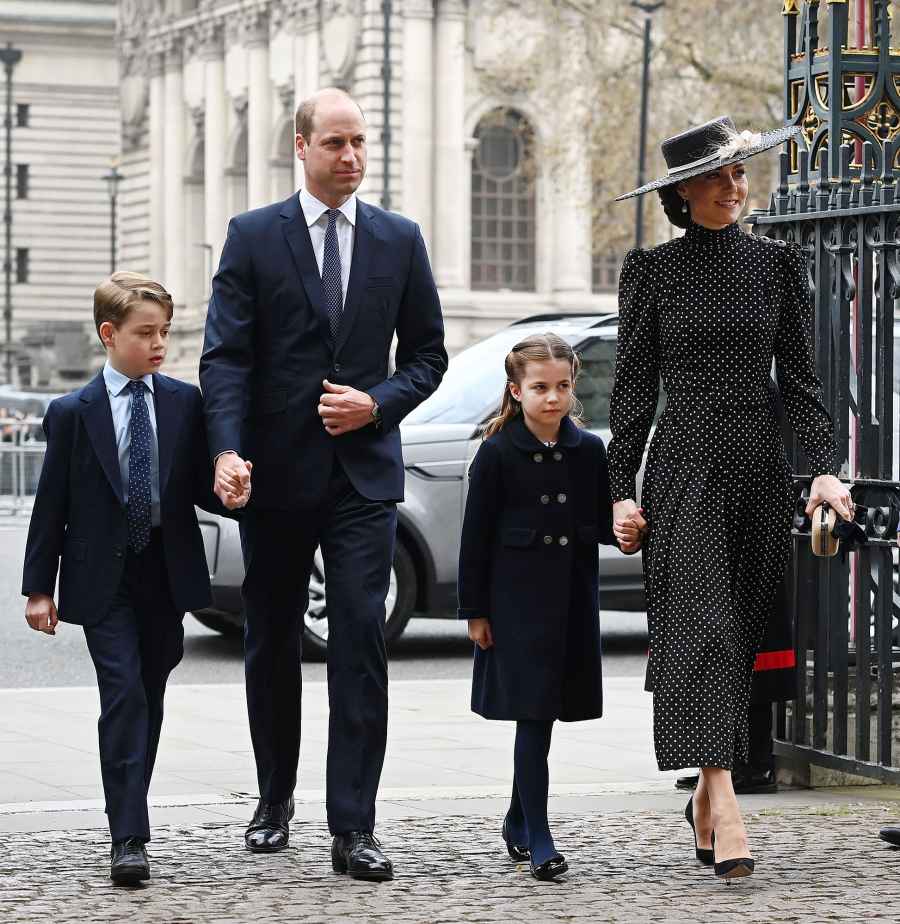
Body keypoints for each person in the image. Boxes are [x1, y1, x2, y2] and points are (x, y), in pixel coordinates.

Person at [200, 87, 446, 881]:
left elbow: (429, 358)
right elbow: (226, 358)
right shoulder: (251, 238)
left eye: (361, 143)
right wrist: (227, 451)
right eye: (336, 143)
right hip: (273, 478)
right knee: (270, 641)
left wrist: (378, 402)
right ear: (300, 147)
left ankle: (355, 828)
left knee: (360, 646)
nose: (352, 158)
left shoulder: (399, 240)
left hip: (363, 481)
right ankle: (274, 801)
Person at [608, 116, 851, 880]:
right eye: (716, 177)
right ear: (681, 193)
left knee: (736, 635)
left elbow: (806, 388)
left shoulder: (778, 265)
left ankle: (708, 798)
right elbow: (629, 397)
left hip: (755, 465)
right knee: (702, 625)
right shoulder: (651, 271)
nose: (733, 188)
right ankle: (724, 796)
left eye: (739, 174)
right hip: (682, 466)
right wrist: (620, 493)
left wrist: (820, 469)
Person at [20, 272, 246, 885]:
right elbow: (52, 505)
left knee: (149, 696)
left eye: (165, 333)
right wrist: (39, 587)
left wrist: (230, 486)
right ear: (108, 334)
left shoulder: (182, 402)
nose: (159, 345)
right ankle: (129, 836)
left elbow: (199, 484)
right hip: (102, 579)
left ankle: (129, 809)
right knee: (122, 695)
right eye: (146, 333)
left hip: (164, 575)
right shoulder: (73, 412)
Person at [457, 333, 645, 882]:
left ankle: (518, 817)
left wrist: (624, 531)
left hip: (569, 603)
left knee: (544, 715)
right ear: (516, 391)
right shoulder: (495, 453)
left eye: (562, 386)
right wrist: (477, 612)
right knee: (533, 718)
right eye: (540, 387)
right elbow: (474, 537)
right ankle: (539, 835)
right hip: (515, 609)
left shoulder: (589, 450)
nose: (553, 397)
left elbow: (598, 522)